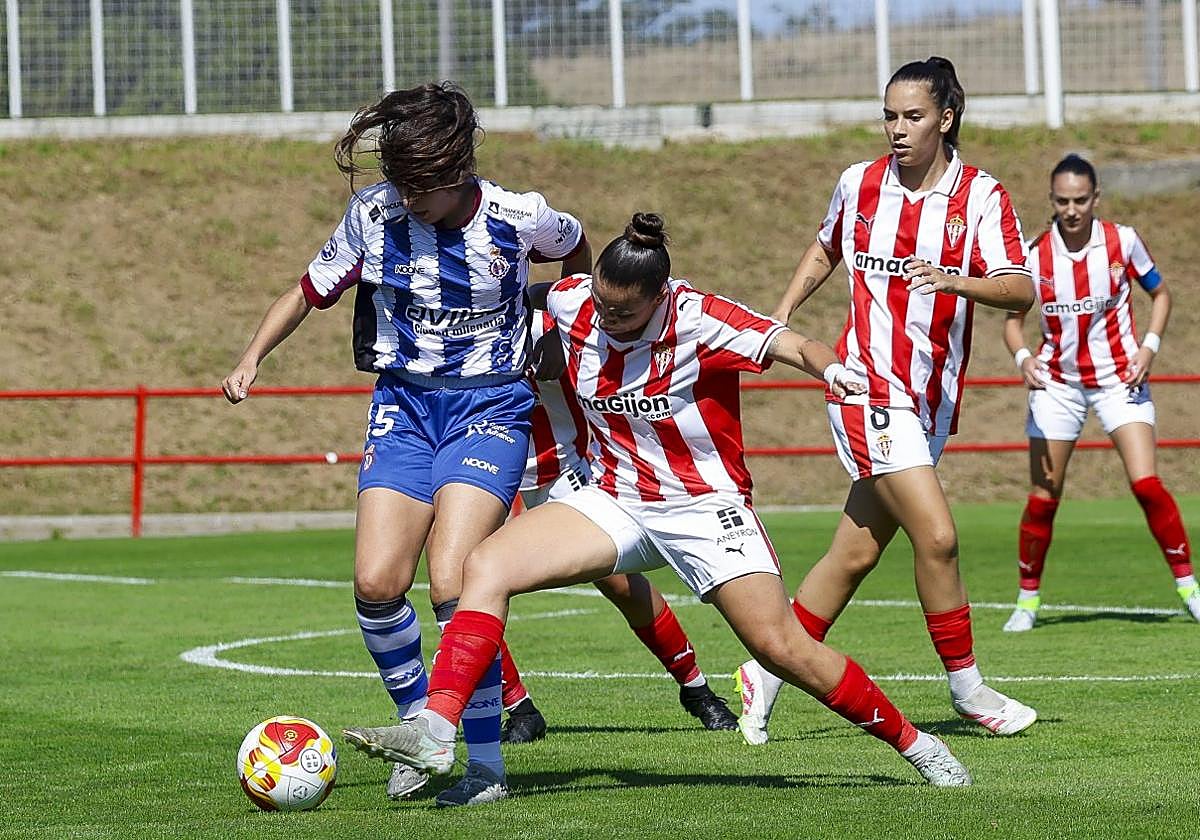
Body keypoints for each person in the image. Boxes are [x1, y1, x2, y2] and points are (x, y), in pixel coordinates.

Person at [342, 212, 974, 797]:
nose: (608, 318)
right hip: (614, 500)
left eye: (625, 311)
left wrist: (832, 370)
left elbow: (790, 343)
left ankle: (916, 744)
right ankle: (446, 736)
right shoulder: (575, 302)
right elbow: (516, 296)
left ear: (661, 296)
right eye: (602, 303)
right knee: (483, 568)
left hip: (704, 508)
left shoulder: (701, 318)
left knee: (782, 649)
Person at [220, 82, 591, 807]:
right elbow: (307, 289)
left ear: (458, 171)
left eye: (421, 186)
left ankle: (485, 769)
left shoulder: (520, 216)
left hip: (489, 407)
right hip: (403, 407)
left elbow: (581, 258)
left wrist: (563, 334)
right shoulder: (372, 216)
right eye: (399, 182)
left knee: (455, 582)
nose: (408, 198)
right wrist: (251, 357)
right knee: (377, 584)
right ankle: (419, 736)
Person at [734, 56, 1039, 746]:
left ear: (946, 119)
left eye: (913, 117)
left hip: (928, 399)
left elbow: (1020, 289)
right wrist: (779, 319)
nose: (897, 131)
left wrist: (955, 282)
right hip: (867, 387)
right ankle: (969, 690)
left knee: (854, 555)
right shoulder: (859, 183)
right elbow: (824, 248)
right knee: (938, 536)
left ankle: (766, 670)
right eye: (890, 116)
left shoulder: (980, 198)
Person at [505, 310, 737, 736]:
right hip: (487, 482)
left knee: (622, 585)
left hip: (564, 473)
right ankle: (518, 709)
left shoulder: (552, 326)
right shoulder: (450, 331)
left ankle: (697, 690)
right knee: (461, 585)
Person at [1001, 153, 1197, 632]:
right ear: (1052, 199)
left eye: (1081, 200)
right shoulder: (1032, 254)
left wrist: (1148, 347)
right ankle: (1027, 603)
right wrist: (1023, 358)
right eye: (1063, 200)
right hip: (1058, 385)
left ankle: (1190, 589)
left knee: (1146, 483)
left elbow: (1162, 294)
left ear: (1096, 198)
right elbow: (1012, 322)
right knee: (1044, 496)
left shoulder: (1122, 241)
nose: (1072, 209)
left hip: (1118, 380)